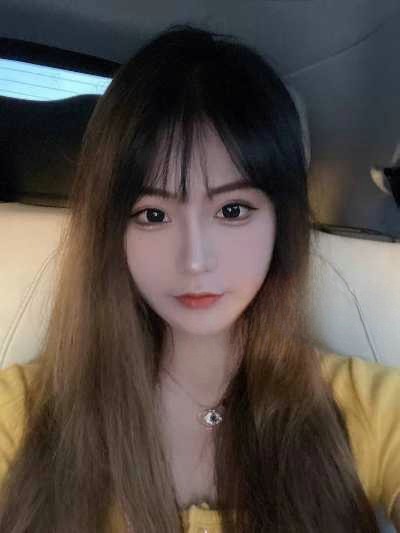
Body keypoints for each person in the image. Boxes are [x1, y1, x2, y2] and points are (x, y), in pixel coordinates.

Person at [0, 24, 399, 533]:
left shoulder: (370, 406)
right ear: (110, 229)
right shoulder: (21, 412)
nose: (194, 260)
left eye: (232, 210)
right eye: (153, 215)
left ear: (282, 221)